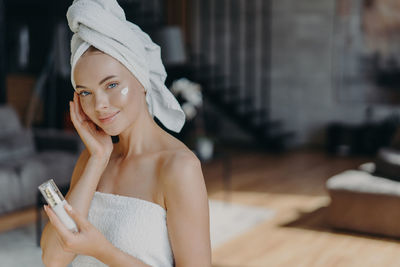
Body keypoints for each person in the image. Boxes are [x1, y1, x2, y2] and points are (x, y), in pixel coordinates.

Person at [39, 0, 211, 266]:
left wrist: (103, 251)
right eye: (85, 92)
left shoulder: (178, 167)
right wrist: (97, 160)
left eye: (112, 84)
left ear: (142, 80)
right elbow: (52, 259)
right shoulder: (92, 159)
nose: (99, 105)